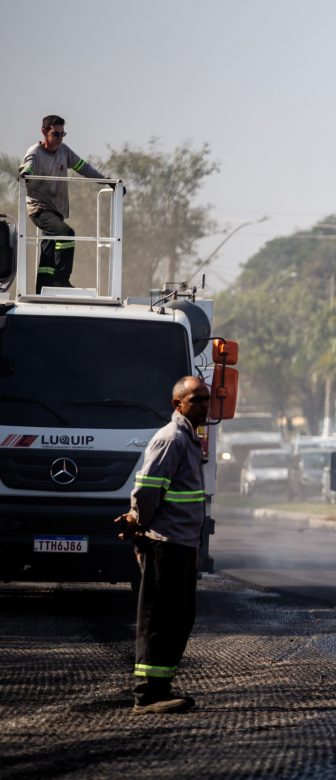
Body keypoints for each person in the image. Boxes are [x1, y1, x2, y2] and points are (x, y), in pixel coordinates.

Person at [114, 376, 210, 714]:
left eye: (206, 399)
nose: (203, 405)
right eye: (196, 399)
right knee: (159, 619)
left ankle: (161, 687)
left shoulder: (188, 439)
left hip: (181, 544)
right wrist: (136, 521)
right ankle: (147, 694)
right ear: (178, 404)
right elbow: (148, 488)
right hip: (163, 544)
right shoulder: (170, 439)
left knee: (179, 617)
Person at [19, 115, 111, 293]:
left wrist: (108, 181)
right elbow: (28, 166)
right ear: (44, 132)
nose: (59, 139)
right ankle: (61, 279)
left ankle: (42, 288)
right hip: (39, 208)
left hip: (57, 210)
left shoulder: (64, 151)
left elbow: (84, 167)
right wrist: (25, 173)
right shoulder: (35, 152)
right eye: (56, 134)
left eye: (63, 134)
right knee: (66, 233)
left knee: (48, 250)